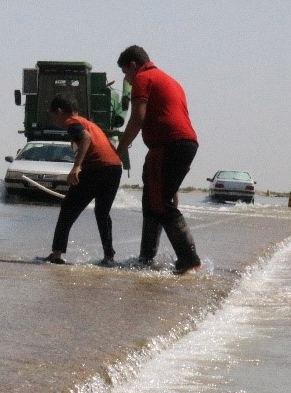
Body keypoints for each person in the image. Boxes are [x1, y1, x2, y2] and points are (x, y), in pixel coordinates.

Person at [116, 45, 202, 273]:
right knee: (151, 200)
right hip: (184, 144)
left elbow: (137, 119)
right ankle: (146, 258)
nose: (127, 78)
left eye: (126, 73)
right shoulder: (170, 80)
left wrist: (120, 149)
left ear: (133, 65)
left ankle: (188, 258)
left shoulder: (143, 78)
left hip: (168, 145)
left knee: (158, 203)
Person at [44, 94, 123, 265]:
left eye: (52, 115)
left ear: (59, 112)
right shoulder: (90, 123)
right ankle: (109, 256)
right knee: (102, 213)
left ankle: (56, 255)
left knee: (68, 209)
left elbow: (85, 137)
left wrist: (76, 166)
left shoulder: (71, 122)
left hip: (97, 168)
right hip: (115, 168)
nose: (53, 119)